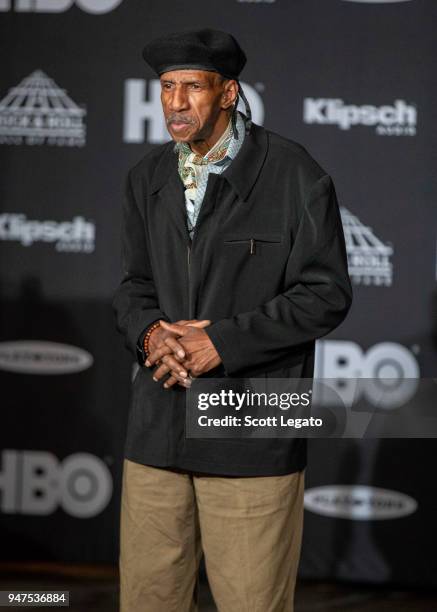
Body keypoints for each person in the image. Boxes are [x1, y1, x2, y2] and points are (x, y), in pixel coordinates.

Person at [112, 28, 352, 612]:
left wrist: (221, 342)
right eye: (166, 87)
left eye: (192, 86)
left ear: (228, 93)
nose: (175, 101)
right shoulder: (147, 178)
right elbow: (133, 287)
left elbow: (325, 294)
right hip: (158, 429)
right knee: (148, 600)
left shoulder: (295, 173)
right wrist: (151, 334)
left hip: (251, 430)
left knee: (252, 602)